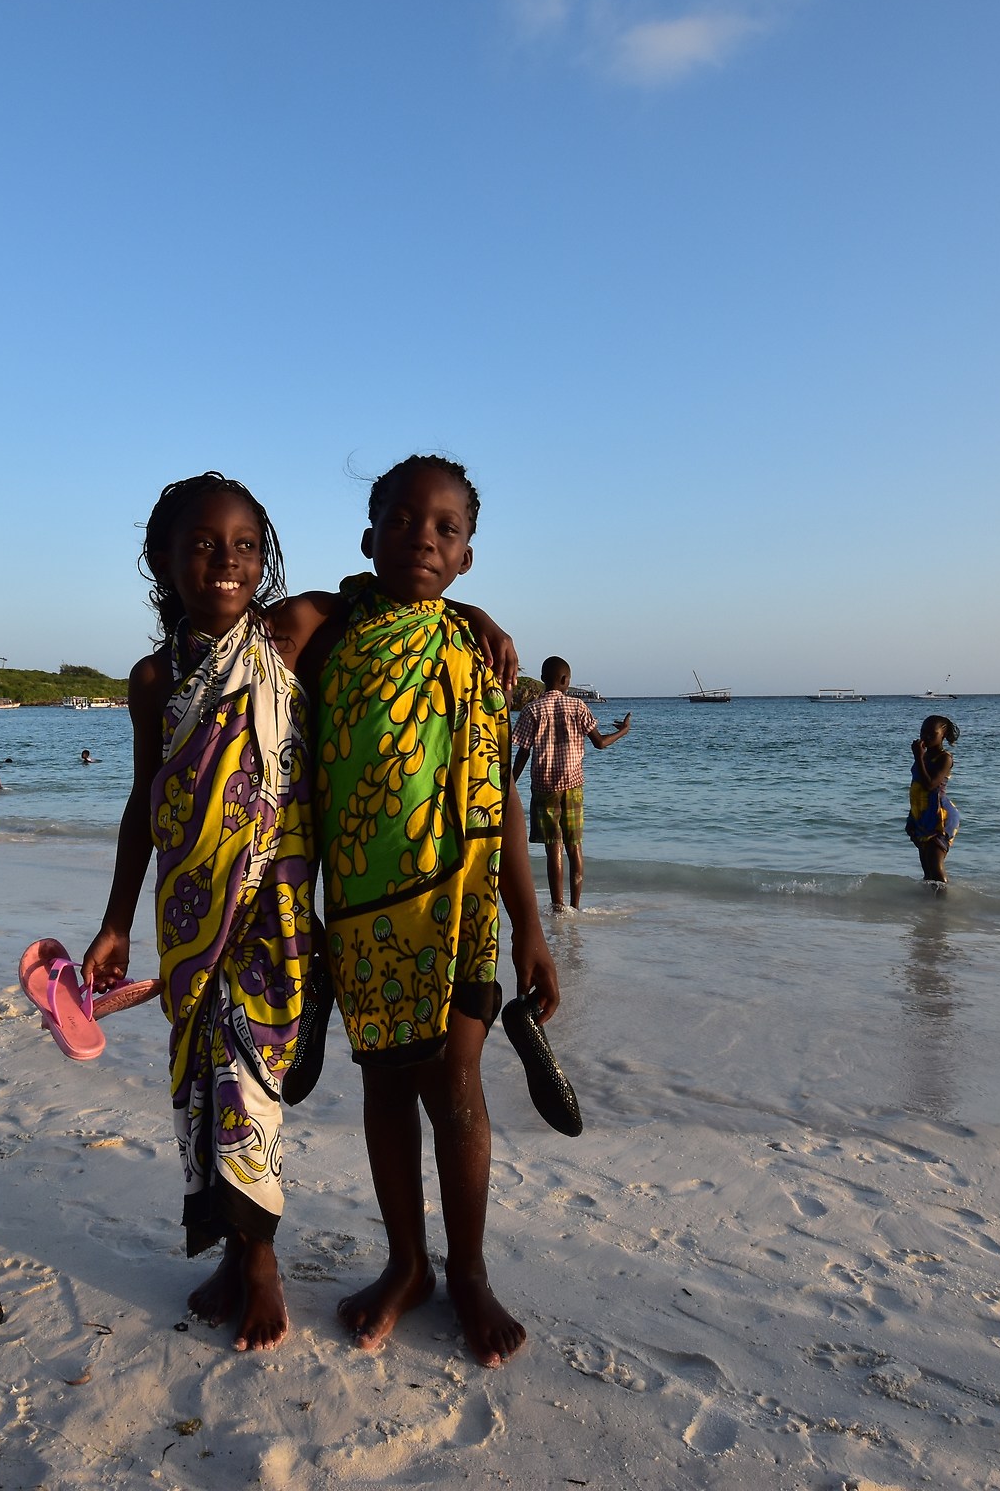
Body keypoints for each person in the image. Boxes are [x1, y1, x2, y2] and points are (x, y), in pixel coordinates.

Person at [297, 454, 556, 1368]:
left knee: (457, 1086)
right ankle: (407, 1264)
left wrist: (533, 926)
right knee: (382, 1088)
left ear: (469, 555)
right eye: (404, 522)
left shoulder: (479, 653)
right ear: (369, 540)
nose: (424, 539)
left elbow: (503, 794)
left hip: (466, 905)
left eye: (446, 529)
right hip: (366, 911)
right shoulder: (327, 631)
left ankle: (471, 1272)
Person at [80, 473, 320, 1353]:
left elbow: (388, 594)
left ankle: (260, 1267)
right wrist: (115, 921)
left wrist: (480, 623)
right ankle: (230, 1253)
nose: (227, 561)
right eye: (204, 545)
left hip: (271, 908)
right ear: (162, 560)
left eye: (246, 545)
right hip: (186, 913)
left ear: (265, 559)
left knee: (247, 1077)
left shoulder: (289, 639)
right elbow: (145, 803)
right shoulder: (153, 677)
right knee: (198, 1082)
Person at [510, 656, 631, 913]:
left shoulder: (532, 710)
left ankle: (558, 908)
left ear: (543, 679)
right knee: (574, 846)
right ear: (566, 681)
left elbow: (522, 753)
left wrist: (508, 786)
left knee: (553, 848)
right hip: (573, 786)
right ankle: (576, 907)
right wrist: (624, 731)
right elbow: (599, 743)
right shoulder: (578, 707)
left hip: (544, 788)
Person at [905, 716, 959, 883]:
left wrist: (918, 758)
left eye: (931, 733)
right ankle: (928, 905)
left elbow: (930, 785)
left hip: (939, 816)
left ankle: (943, 905)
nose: (925, 736)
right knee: (927, 870)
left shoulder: (944, 758)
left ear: (942, 735)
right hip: (922, 814)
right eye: (923, 732)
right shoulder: (924, 756)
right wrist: (912, 817)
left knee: (936, 868)